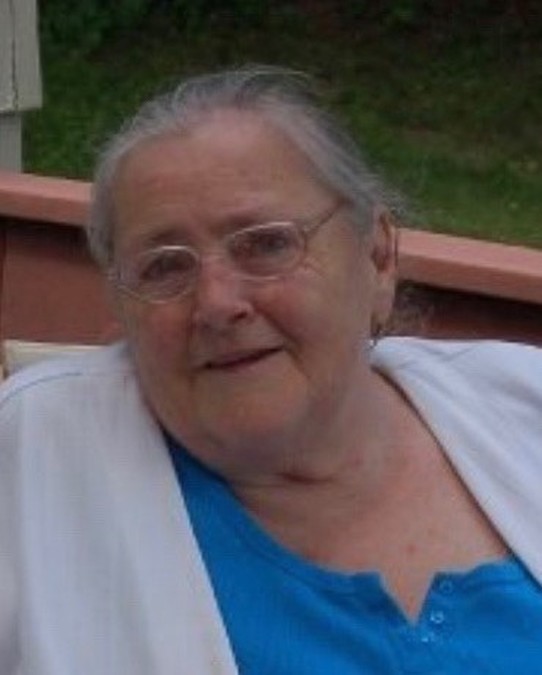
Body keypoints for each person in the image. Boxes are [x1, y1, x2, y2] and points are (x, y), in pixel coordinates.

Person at [1, 65, 542, 674]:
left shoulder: (525, 404)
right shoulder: (37, 454)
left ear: (378, 255)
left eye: (265, 244)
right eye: (164, 267)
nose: (217, 303)